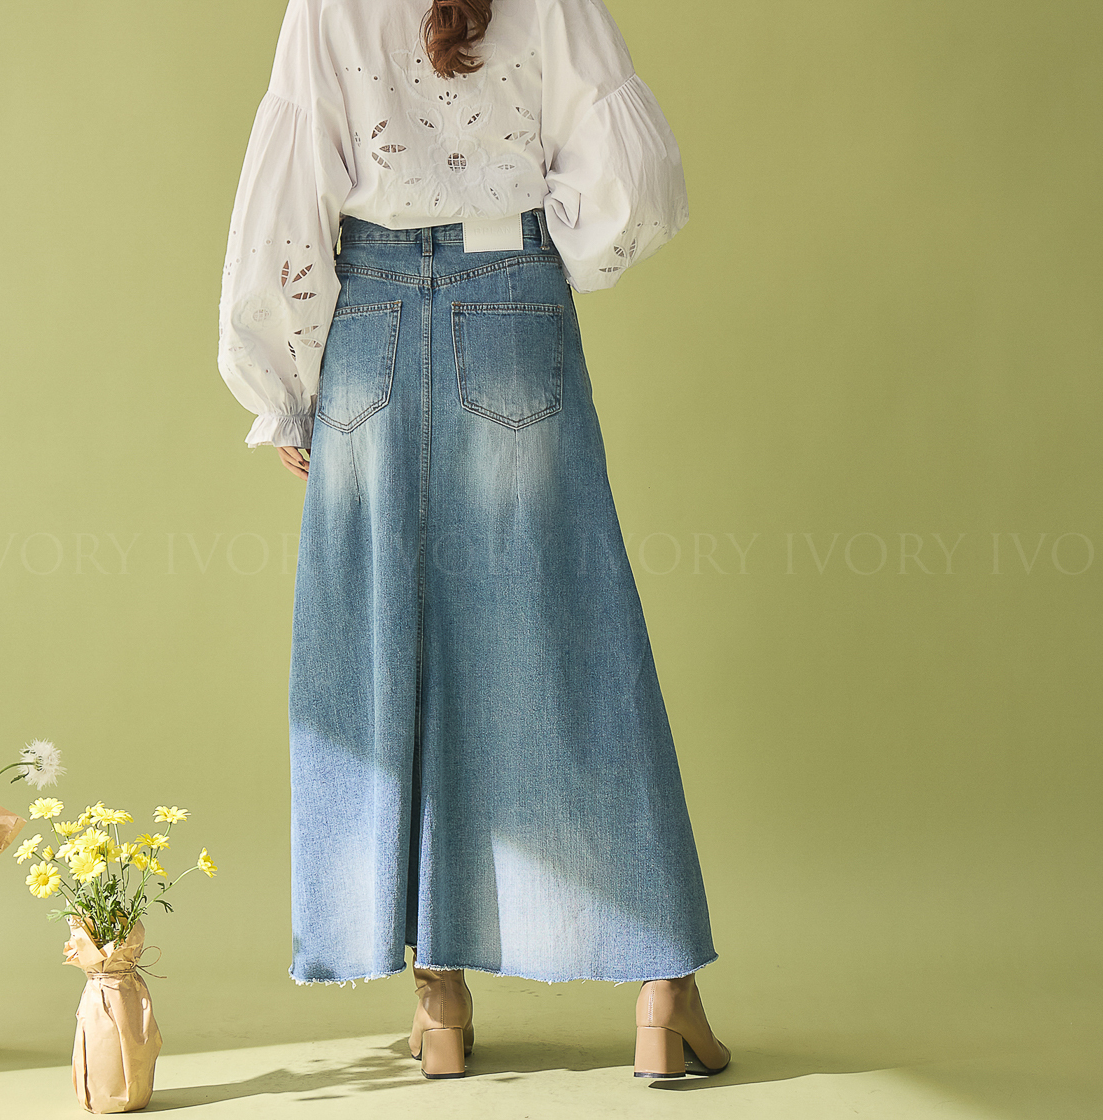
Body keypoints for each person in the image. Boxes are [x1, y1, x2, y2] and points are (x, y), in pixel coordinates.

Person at [216, 0, 729, 1081]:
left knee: (387, 647)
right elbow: (630, 174)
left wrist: (285, 386)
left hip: (367, 323)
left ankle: (438, 1001)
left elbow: (291, 189)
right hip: (514, 308)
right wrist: (562, 246)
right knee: (576, 641)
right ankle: (662, 993)